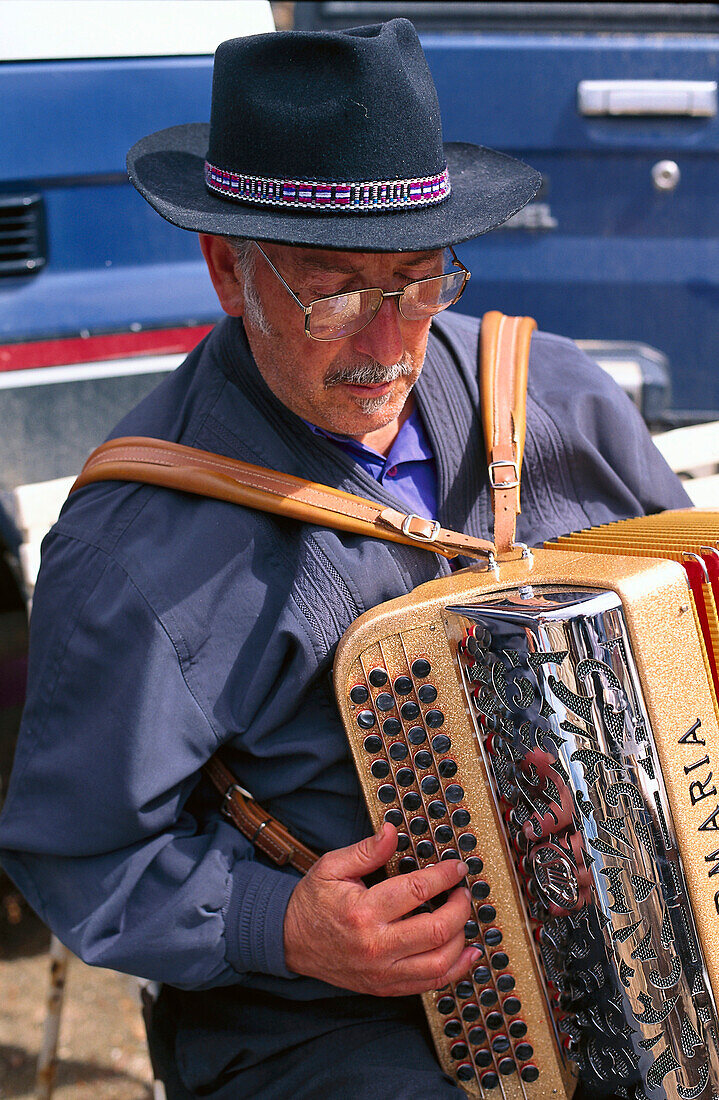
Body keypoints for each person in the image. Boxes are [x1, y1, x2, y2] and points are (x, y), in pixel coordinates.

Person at [0, 19, 690, 1099]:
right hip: (327, 1024)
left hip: (645, 946)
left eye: (418, 285)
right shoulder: (135, 544)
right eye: (334, 294)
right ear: (228, 269)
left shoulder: (553, 394)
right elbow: (75, 854)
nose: (386, 345)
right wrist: (281, 923)